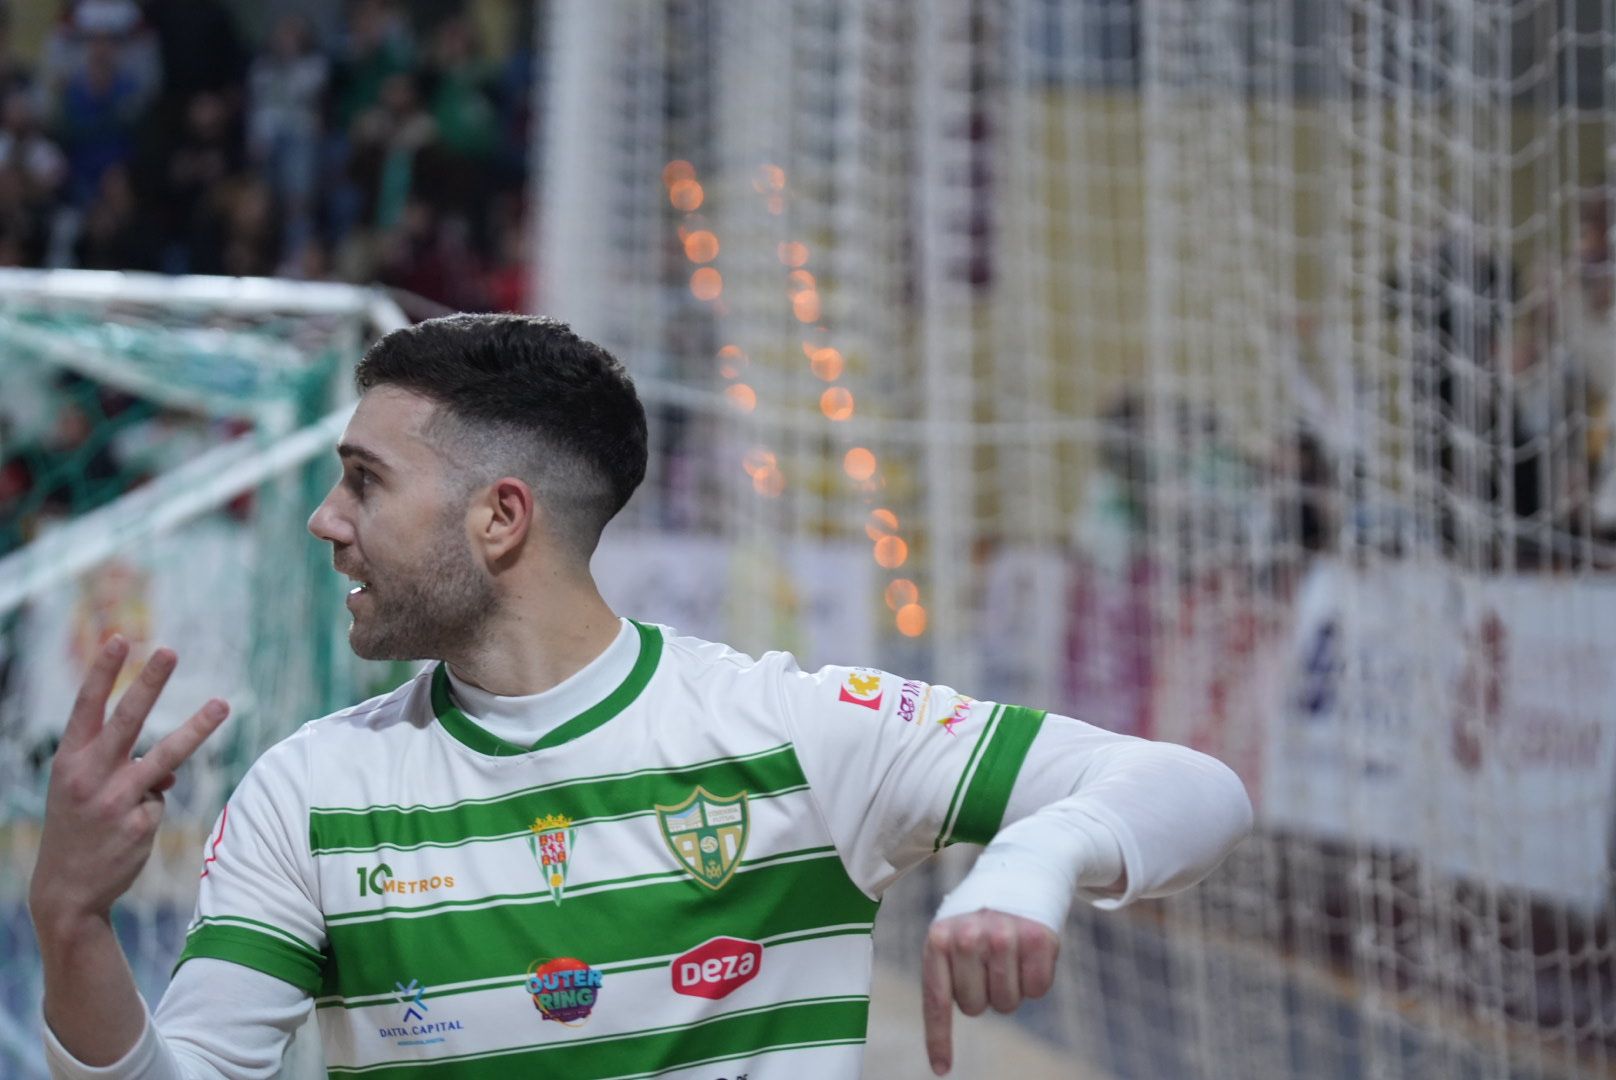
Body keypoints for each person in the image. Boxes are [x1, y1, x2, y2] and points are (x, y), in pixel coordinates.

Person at [30, 314, 1253, 1079]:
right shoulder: (310, 790)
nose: (325, 521)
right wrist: (73, 929)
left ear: (499, 517)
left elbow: (1191, 789)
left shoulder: (790, 733)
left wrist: (1023, 868)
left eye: (362, 481)